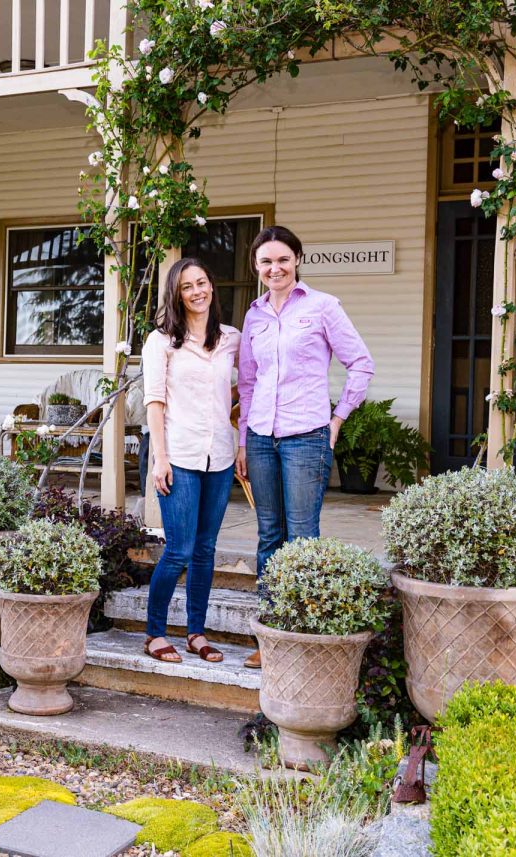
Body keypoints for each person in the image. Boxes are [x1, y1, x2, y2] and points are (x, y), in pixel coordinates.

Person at [236, 225, 374, 668]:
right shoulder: (254, 315)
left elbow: (361, 364)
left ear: (297, 259)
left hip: (305, 437)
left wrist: (337, 420)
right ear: (256, 268)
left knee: (301, 538)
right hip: (259, 437)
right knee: (268, 537)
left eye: (282, 259)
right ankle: (270, 634)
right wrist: (243, 441)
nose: (274, 268)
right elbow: (247, 382)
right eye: (265, 262)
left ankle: (299, 636)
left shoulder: (322, 307)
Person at [142, 257, 241, 664]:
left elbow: (245, 389)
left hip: (219, 455)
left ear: (211, 287)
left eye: (202, 282)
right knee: (179, 548)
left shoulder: (232, 339)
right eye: (187, 286)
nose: (197, 291)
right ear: (176, 293)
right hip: (177, 455)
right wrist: (158, 458)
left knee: (205, 549)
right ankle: (155, 632)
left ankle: (196, 633)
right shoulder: (160, 341)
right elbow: (154, 401)